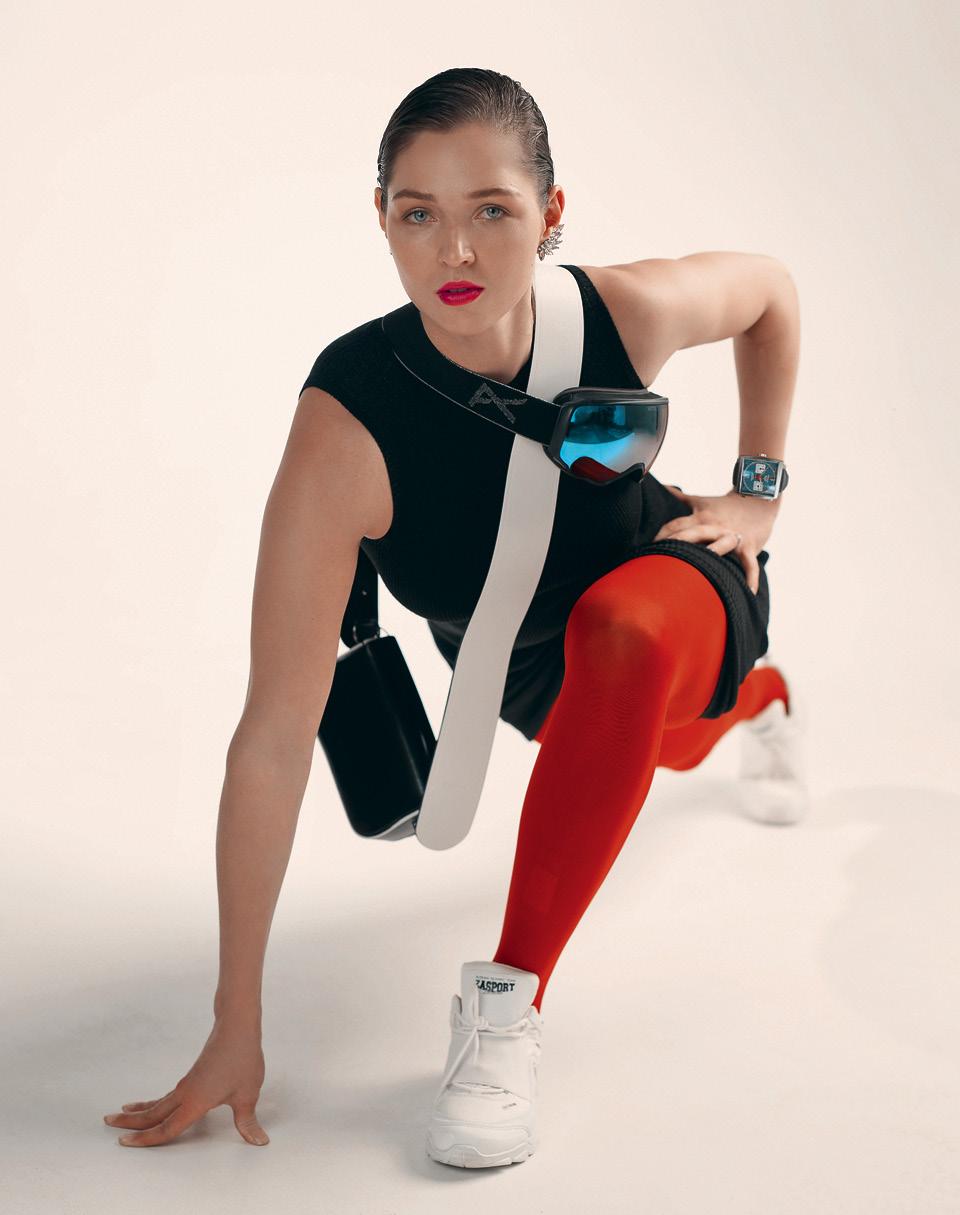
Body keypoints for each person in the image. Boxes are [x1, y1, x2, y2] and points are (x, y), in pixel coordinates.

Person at [101, 67, 805, 1167]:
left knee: (622, 637)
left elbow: (769, 292)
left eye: (492, 211)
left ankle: (505, 1008)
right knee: (673, 743)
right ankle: (766, 702)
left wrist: (758, 489)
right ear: (381, 218)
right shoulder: (346, 427)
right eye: (418, 215)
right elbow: (274, 736)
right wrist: (236, 1020)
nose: (455, 252)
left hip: (675, 587)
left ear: (551, 212)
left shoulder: (621, 312)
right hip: (527, 674)